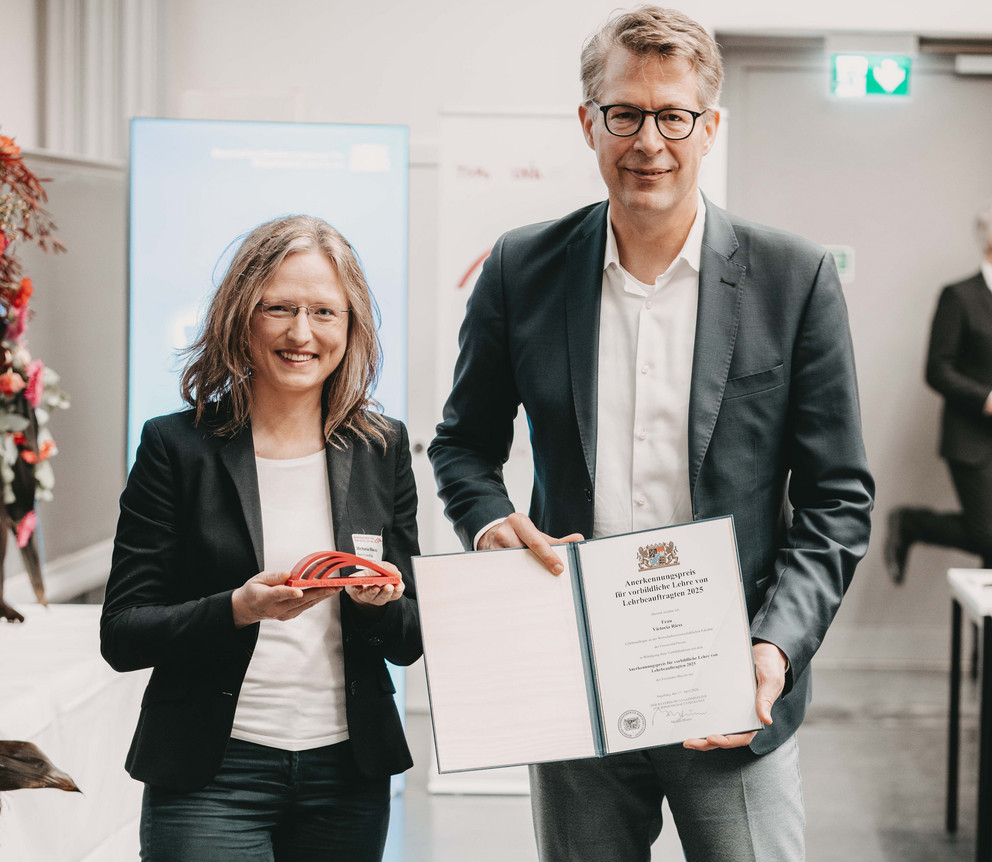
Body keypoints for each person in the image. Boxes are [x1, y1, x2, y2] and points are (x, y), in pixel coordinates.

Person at [429, 7, 873, 860]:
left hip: (731, 681)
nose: (648, 142)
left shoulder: (793, 278)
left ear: (710, 129)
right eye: (624, 113)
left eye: (673, 117)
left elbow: (837, 501)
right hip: (574, 672)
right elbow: (461, 443)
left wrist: (774, 648)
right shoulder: (522, 269)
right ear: (588, 121)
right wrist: (491, 524)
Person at [100, 215, 421, 861]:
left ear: (352, 327)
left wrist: (377, 605)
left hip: (348, 773)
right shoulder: (176, 447)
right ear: (241, 316)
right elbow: (124, 633)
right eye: (279, 308)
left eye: (325, 312)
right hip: (211, 773)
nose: (302, 333)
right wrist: (238, 609)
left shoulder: (381, 448)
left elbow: (412, 637)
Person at [885, 202, 992, 583]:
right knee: (990, 539)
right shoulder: (960, 296)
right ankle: (911, 523)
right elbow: (937, 369)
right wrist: (986, 398)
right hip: (971, 441)